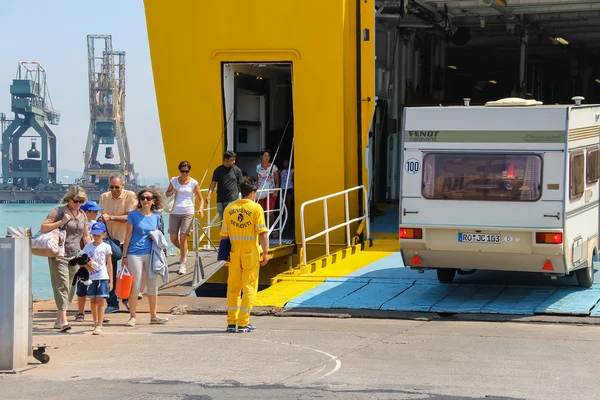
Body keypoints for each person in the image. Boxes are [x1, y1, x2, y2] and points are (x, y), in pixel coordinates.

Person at [40, 185, 91, 332]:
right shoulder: (58, 211)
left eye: (82, 201)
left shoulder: (83, 215)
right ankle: (63, 320)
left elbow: (86, 235)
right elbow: (43, 227)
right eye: (76, 201)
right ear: (68, 199)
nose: (79, 204)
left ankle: (58, 320)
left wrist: (91, 252)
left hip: (75, 255)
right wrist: (61, 222)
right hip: (59, 255)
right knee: (61, 285)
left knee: (70, 287)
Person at [220, 180, 269, 333]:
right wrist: (265, 253)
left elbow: (224, 235)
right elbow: (262, 233)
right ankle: (243, 322)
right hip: (250, 254)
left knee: (233, 287)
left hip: (234, 253)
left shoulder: (229, 208)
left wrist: (224, 254)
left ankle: (231, 322)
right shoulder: (256, 208)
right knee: (249, 288)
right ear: (253, 193)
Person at [122, 187, 168, 327]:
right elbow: (128, 235)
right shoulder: (133, 215)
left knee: (153, 285)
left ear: (153, 201)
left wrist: (154, 235)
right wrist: (124, 255)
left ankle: (153, 316)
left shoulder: (156, 217)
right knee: (135, 284)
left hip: (151, 253)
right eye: (143, 198)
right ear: (139, 200)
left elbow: (159, 234)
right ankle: (132, 317)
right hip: (134, 253)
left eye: (148, 198)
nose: (145, 200)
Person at [99, 175, 138, 314]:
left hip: (126, 239)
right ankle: (112, 302)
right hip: (110, 239)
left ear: (123, 185)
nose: (114, 190)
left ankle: (127, 299)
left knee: (129, 271)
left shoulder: (130, 196)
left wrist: (112, 217)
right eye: (111, 187)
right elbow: (102, 215)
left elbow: (131, 217)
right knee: (110, 271)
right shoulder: (104, 197)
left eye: (117, 187)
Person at [164, 160, 205, 275]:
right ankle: (184, 251)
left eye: (186, 171)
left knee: (183, 237)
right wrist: (172, 191)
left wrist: (201, 208)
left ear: (189, 171)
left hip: (188, 212)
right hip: (174, 212)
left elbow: (200, 198)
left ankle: (182, 264)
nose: (184, 174)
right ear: (179, 171)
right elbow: (166, 193)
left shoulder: (193, 182)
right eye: (182, 171)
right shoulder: (174, 181)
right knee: (173, 239)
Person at [75, 200, 104, 323]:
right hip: (83, 259)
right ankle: (80, 312)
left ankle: (98, 314)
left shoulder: (96, 224)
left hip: (95, 260)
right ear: (87, 212)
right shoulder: (81, 224)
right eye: (95, 211)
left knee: (97, 288)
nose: (97, 213)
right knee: (82, 287)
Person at [82, 222, 113, 335]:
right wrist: (87, 267)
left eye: (98, 235)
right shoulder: (88, 246)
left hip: (103, 276)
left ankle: (100, 324)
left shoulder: (106, 246)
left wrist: (111, 280)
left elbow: (109, 263)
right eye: (94, 235)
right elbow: (82, 261)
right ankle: (95, 321)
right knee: (93, 300)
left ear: (104, 234)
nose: (96, 237)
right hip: (91, 277)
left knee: (101, 300)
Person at [207, 151, 243, 221]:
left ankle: (232, 232)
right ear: (226, 160)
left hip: (233, 199)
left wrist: (244, 197)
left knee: (232, 220)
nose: (234, 162)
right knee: (222, 220)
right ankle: (223, 232)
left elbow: (241, 183)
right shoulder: (218, 170)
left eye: (234, 160)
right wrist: (209, 195)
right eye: (232, 160)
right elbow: (213, 183)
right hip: (220, 200)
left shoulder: (237, 170)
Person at [279, 159, 294, 232]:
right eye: (284, 162)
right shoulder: (280, 171)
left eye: (287, 162)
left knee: (288, 206)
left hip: (289, 188)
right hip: (282, 188)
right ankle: (283, 223)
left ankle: (289, 223)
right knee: (282, 206)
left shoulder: (292, 170)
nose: (285, 164)